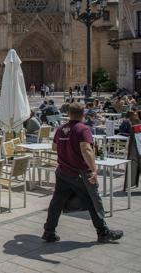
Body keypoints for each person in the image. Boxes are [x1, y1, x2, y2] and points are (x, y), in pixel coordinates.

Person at [42, 102, 123, 243]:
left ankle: (49, 231)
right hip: (79, 173)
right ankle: (103, 232)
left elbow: (54, 147)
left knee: (57, 201)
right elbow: (86, 149)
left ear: (68, 114)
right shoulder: (82, 129)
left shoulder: (61, 129)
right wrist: (93, 169)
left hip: (62, 172)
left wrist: (66, 148)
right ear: (83, 115)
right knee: (92, 200)